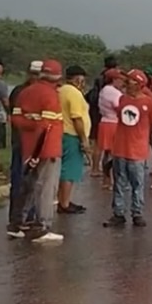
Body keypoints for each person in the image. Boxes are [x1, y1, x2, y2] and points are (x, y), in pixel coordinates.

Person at [10, 59, 66, 244]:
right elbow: (46, 126)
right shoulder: (50, 96)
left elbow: (16, 119)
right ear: (57, 77)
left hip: (28, 146)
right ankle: (43, 226)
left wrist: (30, 122)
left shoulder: (25, 92)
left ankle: (18, 224)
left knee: (28, 186)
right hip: (47, 148)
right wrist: (37, 124)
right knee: (45, 187)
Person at [107, 70, 152, 227]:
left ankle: (137, 213)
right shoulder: (122, 99)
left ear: (138, 84)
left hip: (137, 150)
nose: (126, 84)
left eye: (129, 81)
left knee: (137, 183)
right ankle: (118, 213)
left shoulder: (149, 103)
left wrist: (142, 135)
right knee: (119, 183)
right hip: (120, 148)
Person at [6, 61, 42, 239]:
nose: (36, 77)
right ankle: (20, 218)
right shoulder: (23, 92)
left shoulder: (20, 91)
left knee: (28, 181)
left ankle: (23, 217)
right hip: (24, 143)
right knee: (23, 180)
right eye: (34, 74)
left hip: (27, 143)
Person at [56, 65, 92, 214]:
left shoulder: (61, 90)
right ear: (78, 78)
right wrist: (84, 139)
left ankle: (63, 200)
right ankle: (64, 203)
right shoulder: (74, 93)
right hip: (72, 134)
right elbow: (76, 118)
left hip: (61, 133)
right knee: (69, 171)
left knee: (63, 168)